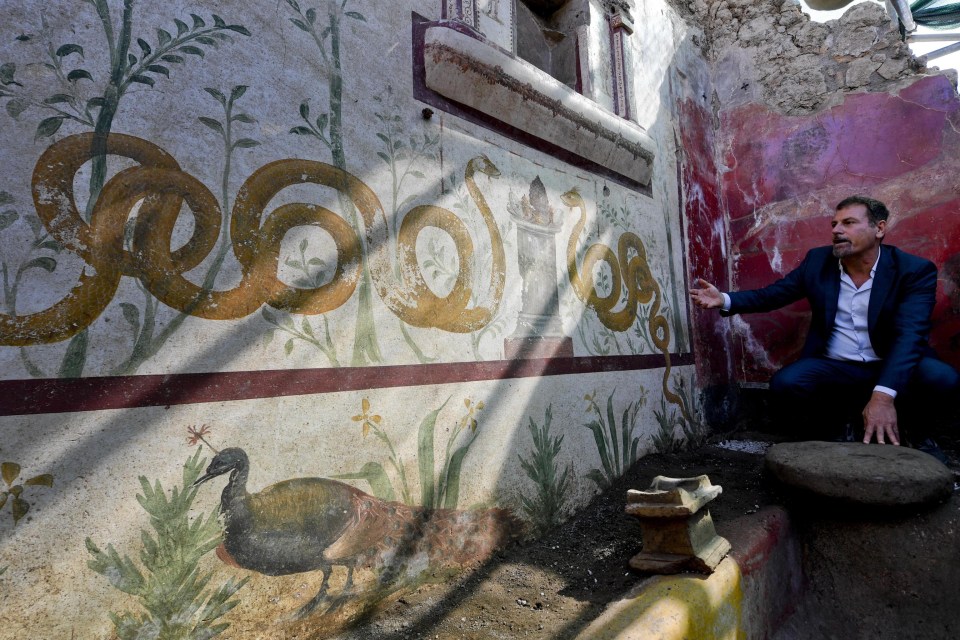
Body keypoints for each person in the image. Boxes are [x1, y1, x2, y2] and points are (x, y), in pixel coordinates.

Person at [690, 195, 959, 451]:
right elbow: (774, 294)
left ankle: (917, 434)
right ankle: (838, 428)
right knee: (787, 383)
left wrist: (884, 395)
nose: (836, 230)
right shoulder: (818, 261)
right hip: (838, 366)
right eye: (834, 224)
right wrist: (724, 299)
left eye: (848, 223)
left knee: (943, 378)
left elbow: (910, 335)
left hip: (889, 363)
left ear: (879, 228)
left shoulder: (913, 270)